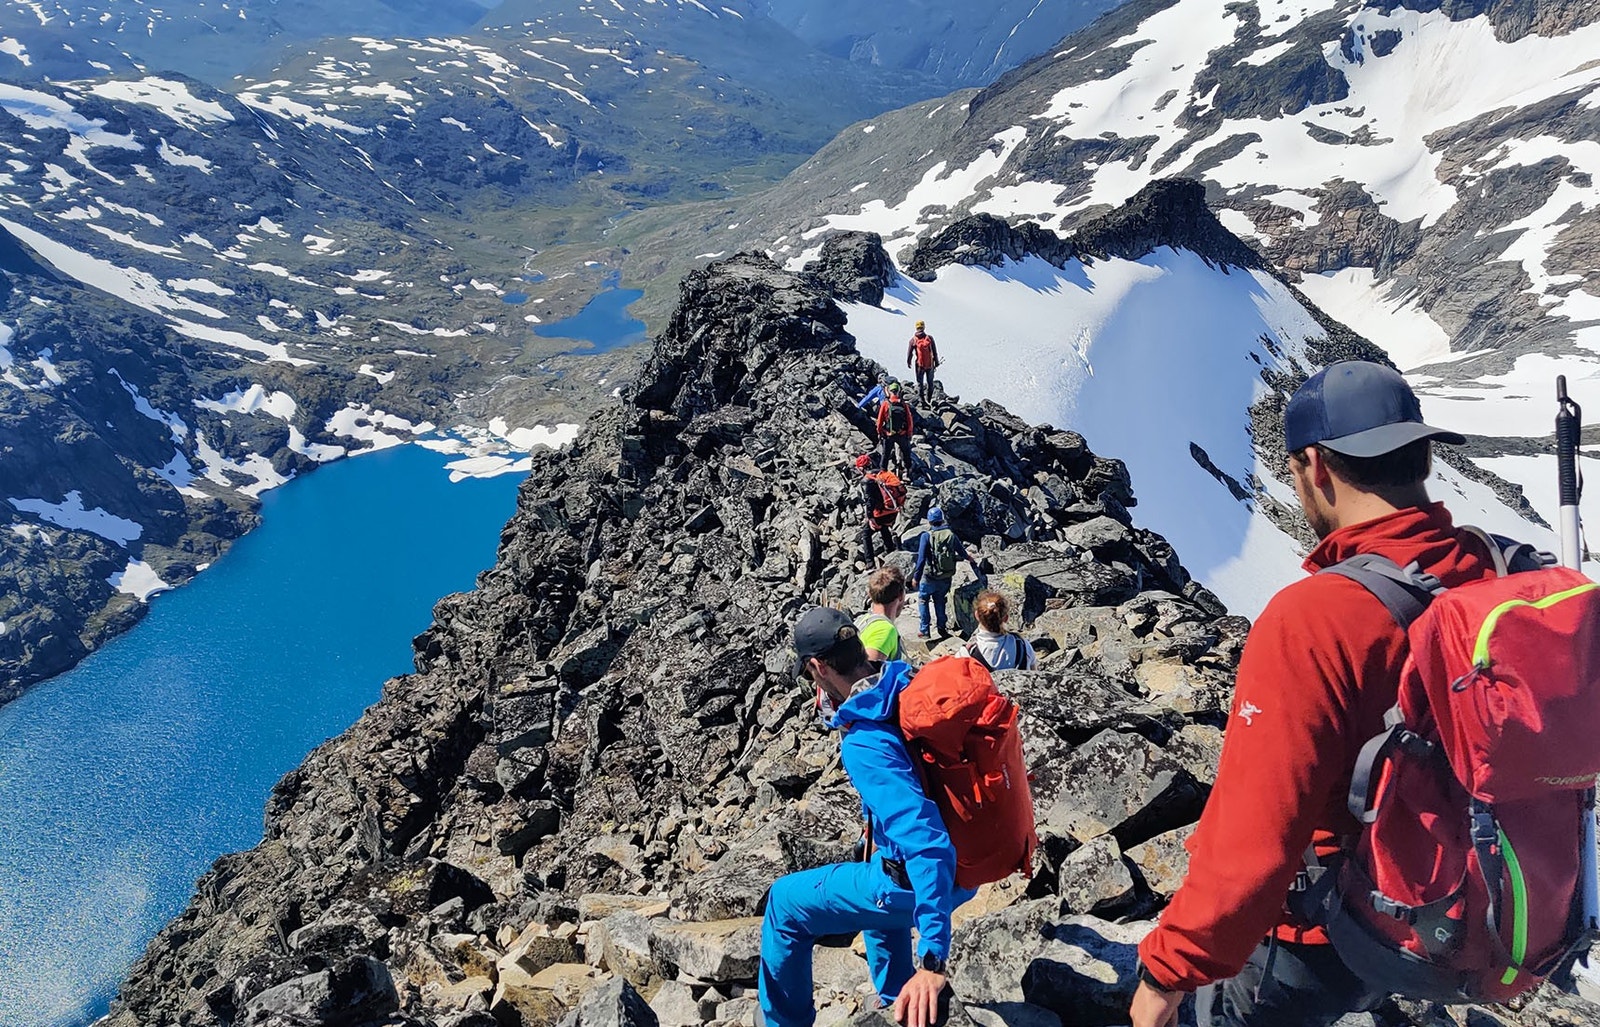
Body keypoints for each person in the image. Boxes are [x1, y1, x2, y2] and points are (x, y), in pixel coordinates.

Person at [1129, 361, 1493, 1027]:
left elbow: (1255, 840)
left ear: (1315, 468)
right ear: (1422, 456)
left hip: (1324, 939)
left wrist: (1165, 970)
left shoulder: (1315, 618)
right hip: (1457, 911)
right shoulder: (1490, 572)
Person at [760, 607, 975, 1027]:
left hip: (923, 882)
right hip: (966, 866)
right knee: (870, 871)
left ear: (817, 666)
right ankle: (898, 1004)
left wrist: (933, 960)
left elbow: (925, 839)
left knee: (784, 904)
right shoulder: (904, 681)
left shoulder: (865, 742)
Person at [909, 507, 983, 640]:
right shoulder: (950, 534)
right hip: (946, 576)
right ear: (942, 519)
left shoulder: (926, 536)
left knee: (923, 600)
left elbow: (921, 559)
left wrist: (916, 577)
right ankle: (942, 628)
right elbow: (961, 551)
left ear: (930, 521)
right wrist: (969, 558)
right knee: (940, 601)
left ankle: (925, 630)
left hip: (929, 576)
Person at [962, 591, 1037, 671]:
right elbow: (1033, 674)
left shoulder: (966, 653)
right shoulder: (1023, 645)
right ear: (1006, 618)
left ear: (976, 615)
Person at [857, 453, 904, 566]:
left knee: (866, 534)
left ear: (861, 468)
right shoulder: (882, 473)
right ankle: (890, 550)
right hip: (893, 509)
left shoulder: (867, 481)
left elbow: (869, 502)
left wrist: (870, 518)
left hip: (881, 513)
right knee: (884, 527)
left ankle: (869, 562)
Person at [858, 566, 908, 664]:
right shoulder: (884, 630)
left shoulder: (864, 620)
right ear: (901, 596)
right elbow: (869, 675)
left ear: (870, 594)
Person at [875, 381, 916, 476]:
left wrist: (880, 432)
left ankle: (883, 473)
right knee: (906, 454)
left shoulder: (885, 404)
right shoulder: (903, 404)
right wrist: (909, 433)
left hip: (889, 434)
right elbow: (909, 420)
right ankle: (908, 471)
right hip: (902, 434)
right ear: (898, 392)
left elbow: (879, 421)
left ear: (889, 392)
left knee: (885, 455)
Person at [906, 320, 940, 404]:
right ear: (924, 327)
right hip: (930, 364)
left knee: (920, 383)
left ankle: (922, 401)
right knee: (930, 383)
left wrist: (908, 361)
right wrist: (936, 361)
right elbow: (934, 351)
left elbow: (910, 352)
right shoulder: (929, 338)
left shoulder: (913, 340)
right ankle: (929, 399)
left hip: (919, 365)